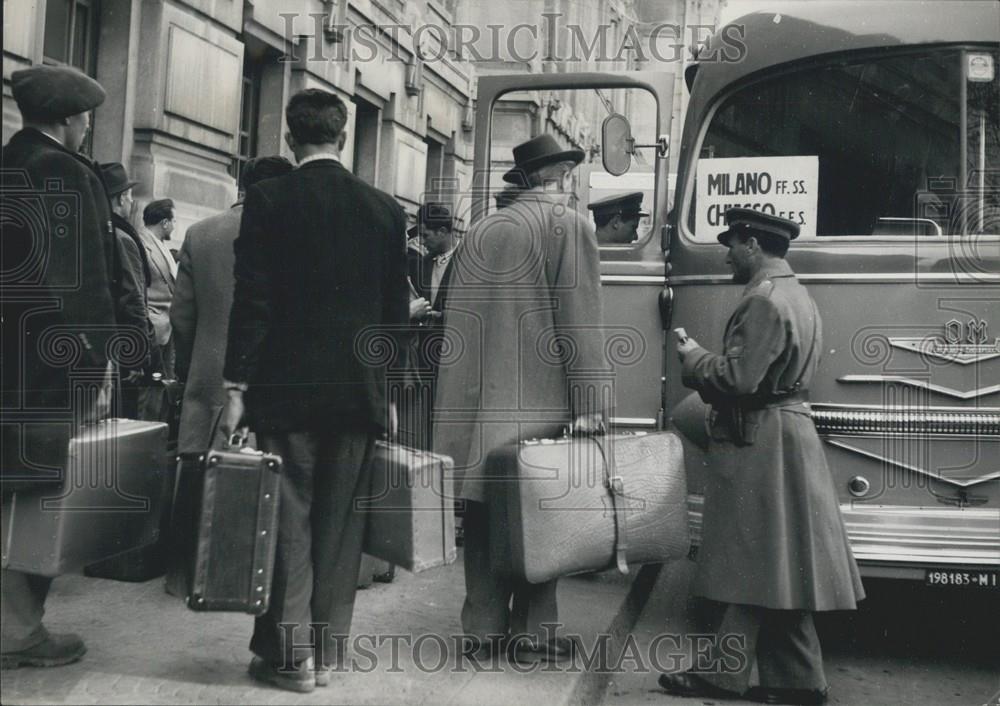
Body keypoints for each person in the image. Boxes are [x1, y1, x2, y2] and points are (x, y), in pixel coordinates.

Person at [219, 89, 408, 692]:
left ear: (289, 137)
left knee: (290, 521)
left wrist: (235, 388)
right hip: (357, 394)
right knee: (340, 526)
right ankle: (327, 655)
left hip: (286, 393)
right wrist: (389, 392)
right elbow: (393, 315)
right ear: (344, 136)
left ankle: (291, 658)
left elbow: (252, 303)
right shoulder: (383, 209)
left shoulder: (270, 201)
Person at [662, 207, 865, 706]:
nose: (727, 253)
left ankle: (724, 677)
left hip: (760, 439)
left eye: (731, 243)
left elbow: (738, 381)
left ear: (752, 244)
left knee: (752, 563)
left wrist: (693, 359)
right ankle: (798, 683)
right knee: (776, 565)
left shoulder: (765, 301)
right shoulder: (797, 295)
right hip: (785, 434)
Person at [433, 133, 608, 663]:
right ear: (562, 177)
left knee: (486, 514)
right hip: (540, 403)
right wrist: (592, 404)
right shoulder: (570, 225)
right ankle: (533, 632)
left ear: (526, 178)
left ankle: (483, 628)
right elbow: (581, 324)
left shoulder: (484, 229)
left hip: (477, 407)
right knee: (543, 516)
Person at [1, 64, 116, 669]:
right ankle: (19, 631)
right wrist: (96, 365)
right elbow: (83, 285)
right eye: (86, 118)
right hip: (48, 368)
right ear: (71, 120)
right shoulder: (67, 174)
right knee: (42, 493)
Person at [166, 156, 293, 593]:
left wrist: (191, 367)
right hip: (268, 376)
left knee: (198, 472)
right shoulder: (291, 236)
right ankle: (250, 576)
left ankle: (185, 577)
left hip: (209, 373)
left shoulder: (201, 233)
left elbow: (181, 316)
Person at [99, 161, 159, 417]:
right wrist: (137, 354)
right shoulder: (123, 239)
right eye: (129, 194)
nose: (132, 200)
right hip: (123, 352)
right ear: (122, 198)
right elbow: (133, 299)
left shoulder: (97, 231)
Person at [140, 198, 178, 380]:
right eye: (174, 221)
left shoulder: (161, 245)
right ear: (165, 223)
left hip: (167, 329)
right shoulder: (141, 244)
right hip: (154, 330)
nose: (175, 226)